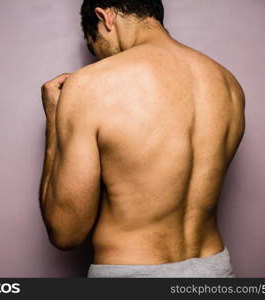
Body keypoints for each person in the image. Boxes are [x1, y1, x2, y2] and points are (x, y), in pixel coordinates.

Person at [39, 0, 245, 278]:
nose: (101, 59)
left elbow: (65, 233)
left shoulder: (90, 85)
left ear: (105, 16)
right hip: (215, 269)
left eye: (95, 46)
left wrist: (53, 119)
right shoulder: (227, 83)